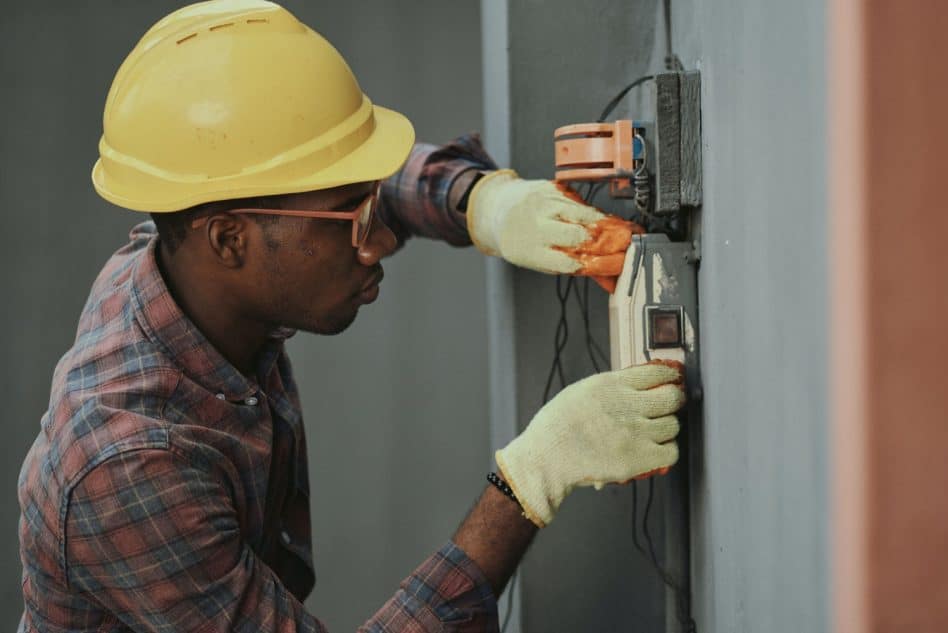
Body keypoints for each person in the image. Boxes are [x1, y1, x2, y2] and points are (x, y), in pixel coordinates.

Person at [17, 1, 685, 631]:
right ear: (228, 240)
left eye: (371, 206)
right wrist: (528, 482)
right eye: (353, 219)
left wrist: (481, 201)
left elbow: (330, 186)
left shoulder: (188, 249)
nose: (381, 240)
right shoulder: (127, 465)